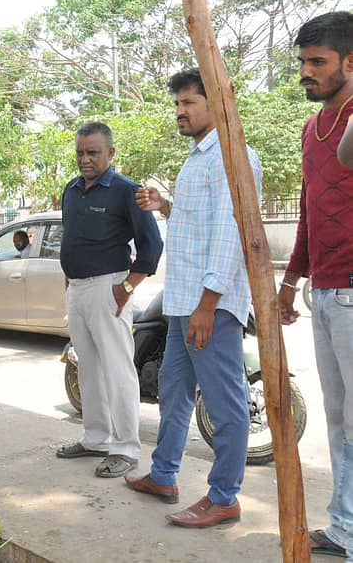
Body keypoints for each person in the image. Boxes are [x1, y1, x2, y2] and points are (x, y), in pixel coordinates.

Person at [128, 68, 262, 528]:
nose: (181, 111)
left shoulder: (232, 157)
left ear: (215, 103)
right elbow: (198, 222)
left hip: (211, 304)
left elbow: (228, 236)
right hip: (184, 301)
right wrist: (164, 206)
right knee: (173, 391)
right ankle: (164, 474)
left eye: (189, 102)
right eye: (178, 103)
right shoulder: (198, 158)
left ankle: (224, 496)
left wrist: (208, 304)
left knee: (225, 404)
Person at [277, 11, 353, 559]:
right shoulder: (312, 127)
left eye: (318, 63)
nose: (306, 72)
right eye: (303, 62)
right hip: (325, 291)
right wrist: (291, 279)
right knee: (337, 419)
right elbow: (308, 210)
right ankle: (347, 526)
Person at [56, 122, 163, 479]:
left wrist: (127, 288)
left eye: (93, 152)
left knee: (118, 369)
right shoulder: (71, 190)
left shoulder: (125, 191)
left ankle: (126, 448)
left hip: (109, 288)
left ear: (111, 154)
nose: (85, 159)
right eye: (80, 152)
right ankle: (96, 437)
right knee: (87, 366)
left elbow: (152, 246)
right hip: (77, 289)